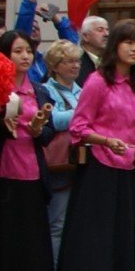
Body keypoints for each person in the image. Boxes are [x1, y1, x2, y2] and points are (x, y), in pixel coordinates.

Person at [56, 20, 135, 271]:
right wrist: (106, 140)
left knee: (121, 238)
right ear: (114, 45)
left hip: (126, 166)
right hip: (99, 167)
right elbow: (78, 127)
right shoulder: (98, 82)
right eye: (128, 42)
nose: (134, 48)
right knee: (95, 238)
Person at [0, 30, 57, 271]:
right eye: (18, 51)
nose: (25, 56)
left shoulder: (40, 91)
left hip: (33, 171)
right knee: (4, 243)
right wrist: (4, 124)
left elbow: (49, 135)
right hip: (4, 171)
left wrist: (40, 129)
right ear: (4, 55)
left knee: (33, 246)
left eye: (28, 51)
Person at [37, 41, 86, 254]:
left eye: (77, 61)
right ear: (55, 66)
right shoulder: (46, 90)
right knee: (57, 223)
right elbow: (55, 120)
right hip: (60, 165)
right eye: (68, 61)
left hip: (81, 163)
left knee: (76, 223)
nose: (75, 66)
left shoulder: (82, 90)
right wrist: (86, 111)